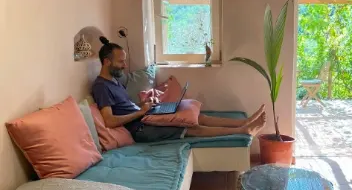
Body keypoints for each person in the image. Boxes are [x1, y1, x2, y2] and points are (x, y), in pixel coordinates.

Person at [92, 38, 267, 142]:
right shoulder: (101, 86)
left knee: (196, 115)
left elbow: (125, 106)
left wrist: (143, 105)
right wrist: (140, 113)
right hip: (140, 129)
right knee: (193, 127)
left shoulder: (115, 81)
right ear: (107, 62)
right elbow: (109, 121)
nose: (125, 65)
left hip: (145, 117)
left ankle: (243, 122)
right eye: (121, 62)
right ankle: (242, 131)